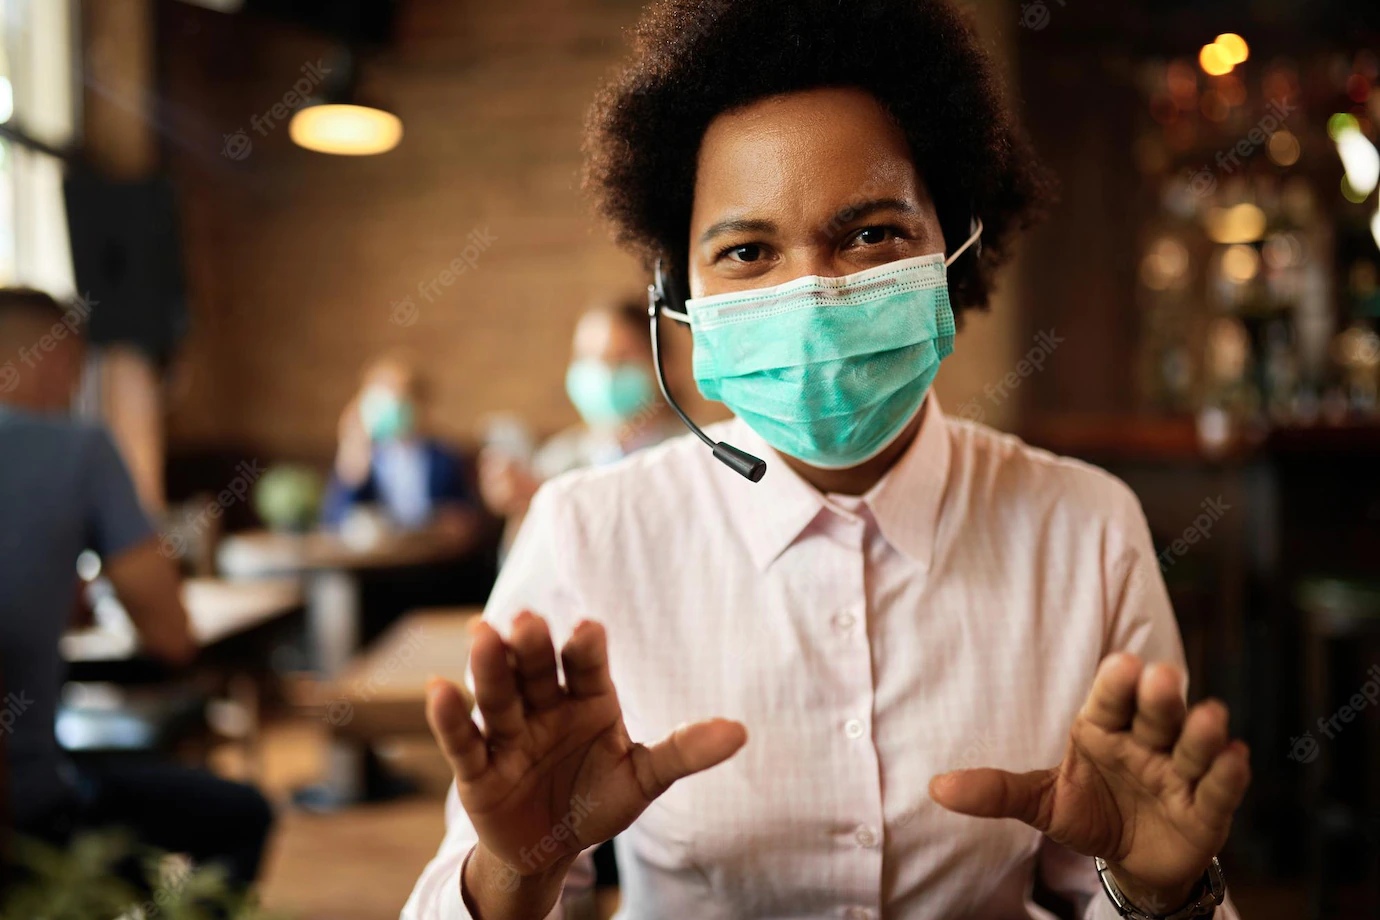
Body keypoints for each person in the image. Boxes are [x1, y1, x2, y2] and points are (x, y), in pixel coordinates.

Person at [405, 2, 1251, 918]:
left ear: (953, 248)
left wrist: (1158, 893)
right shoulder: (585, 535)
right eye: (747, 251)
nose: (810, 294)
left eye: (871, 234)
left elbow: (1115, 859)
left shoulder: (1084, 530)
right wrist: (517, 867)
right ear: (676, 293)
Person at [0, 288, 273, 889]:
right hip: (29, 815)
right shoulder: (78, 447)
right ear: (51, 360)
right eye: (73, 374)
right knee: (242, 814)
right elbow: (170, 636)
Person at [479, 300, 684, 550]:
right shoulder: (557, 459)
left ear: (662, 366)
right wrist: (525, 511)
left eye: (620, 358)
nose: (604, 373)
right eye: (588, 358)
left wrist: (559, 507)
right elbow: (523, 569)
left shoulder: (690, 452)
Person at [322, 354, 483, 541]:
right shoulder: (360, 457)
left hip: (431, 560)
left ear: (420, 404)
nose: (392, 405)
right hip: (378, 564)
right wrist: (353, 462)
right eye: (383, 397)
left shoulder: (445, 457)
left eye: (401, 396)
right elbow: (334, 522)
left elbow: (467, 515)